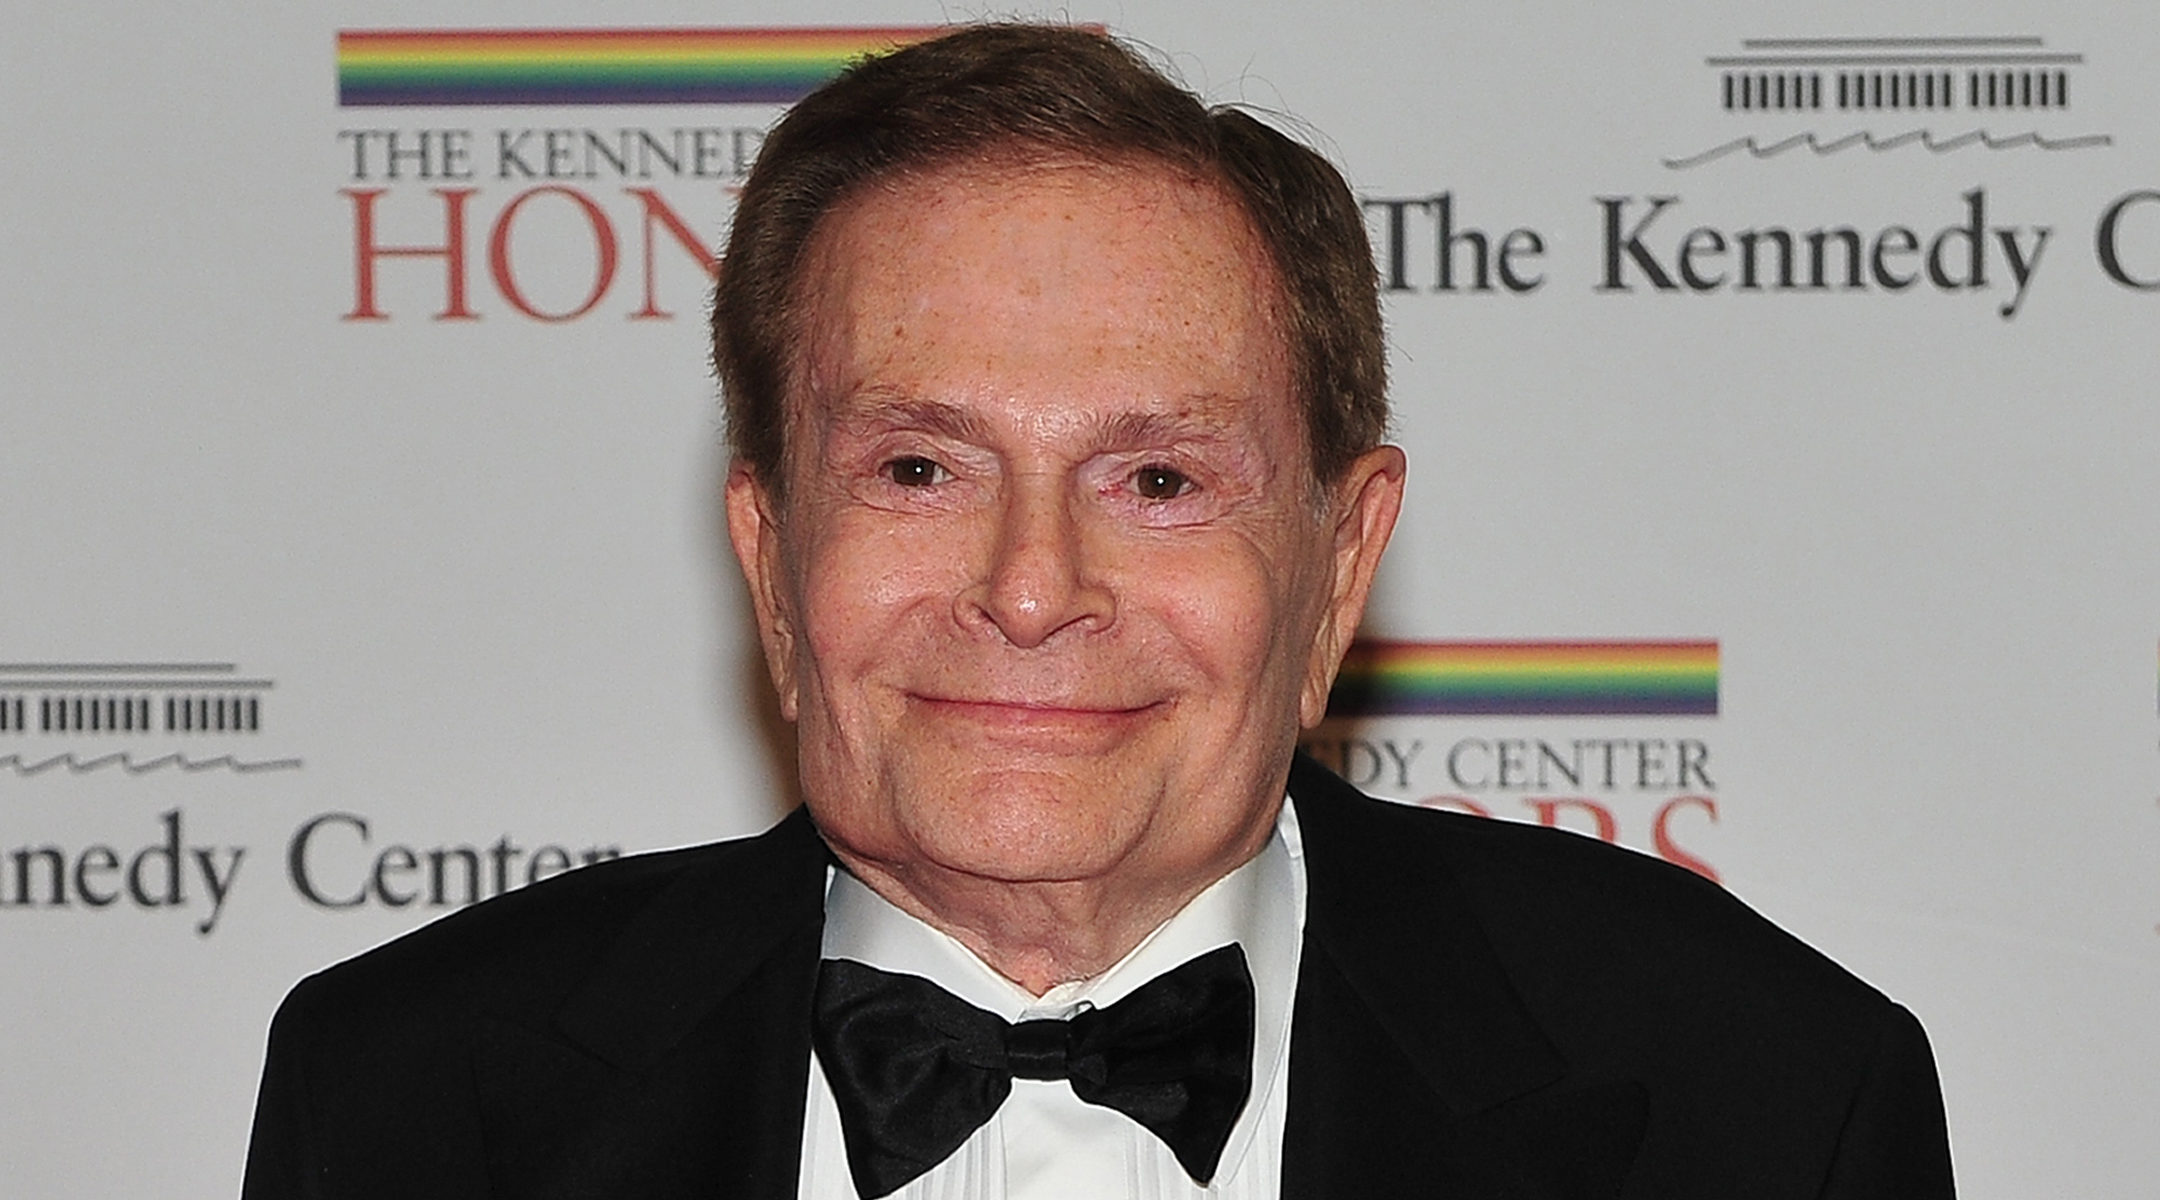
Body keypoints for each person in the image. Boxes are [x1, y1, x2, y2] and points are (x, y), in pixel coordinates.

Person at [242, 23, 1955, 1200]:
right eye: (920, 468)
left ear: (1341, 565)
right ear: (770, 562)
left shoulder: (1761, 1102)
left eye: (1158, 480)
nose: (1032, 590)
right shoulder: (406, 1098)